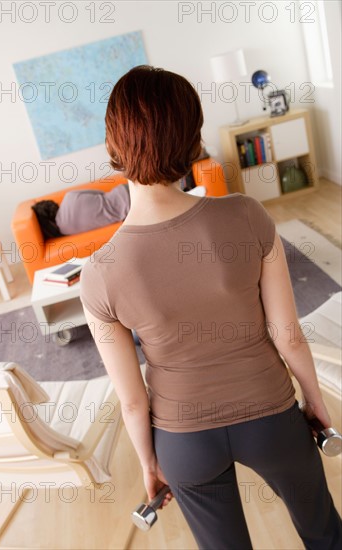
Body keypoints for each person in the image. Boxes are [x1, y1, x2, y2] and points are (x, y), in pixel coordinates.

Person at [80, 65, 342, 549]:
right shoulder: (246, 215)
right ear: (192, 141)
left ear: (114, 148)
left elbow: (133, 399)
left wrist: (149, 462)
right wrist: (316, 403)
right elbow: (288, 336)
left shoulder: (98, 273)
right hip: (272, 418)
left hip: (183, 441)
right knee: (325, 533)